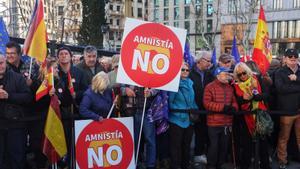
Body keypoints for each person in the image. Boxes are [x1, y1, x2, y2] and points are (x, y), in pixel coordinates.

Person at [233, 62, 271, 169]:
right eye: (239, 74)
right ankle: (245, 166)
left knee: (263, 143)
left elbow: (266, 94)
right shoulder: (235, 85)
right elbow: (236, 101)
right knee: (246, 145)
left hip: (260, 114)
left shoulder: (257, 79)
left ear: (248, 71)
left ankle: (265, 165)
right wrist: (243, 99)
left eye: (244, 73)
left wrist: (255, 95)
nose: (242, 76)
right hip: (245, 117)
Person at [56, 47, 88, 167]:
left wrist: (77, 94)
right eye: (61, 54)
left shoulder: (79, 73)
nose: (64, 56)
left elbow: (86, 90)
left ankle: (74, 163)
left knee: (74, 141)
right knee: (61, 142)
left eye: (66, 54)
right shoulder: (53, 72)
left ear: (70, 56)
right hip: (59, 113)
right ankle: (62, 163)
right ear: (58, 57)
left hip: (75, 112)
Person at [0, 54, 32, 169]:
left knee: (17, 160)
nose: (0, 66)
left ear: (5, 62)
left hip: (16, 126)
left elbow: (28, 97)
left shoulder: (17, 78)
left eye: (1, 63)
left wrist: (9, 96)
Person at [203, 67, 238, 169]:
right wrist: (223, 108)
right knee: (214, 146)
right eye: (225, 74)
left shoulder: (230, 88)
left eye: (228, 74)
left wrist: (234, 108)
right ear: (218, 76)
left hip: (227, 123)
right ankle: (211, 166)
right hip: (214, 123)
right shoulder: (209, 87)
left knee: (224, 147)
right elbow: (207, 103)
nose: (227, 76)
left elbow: (234, 101)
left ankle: (220, 165)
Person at [168, 62, 198, 169]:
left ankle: (185, 165)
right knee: (176, 146)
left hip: (189, 120)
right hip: (177, 120)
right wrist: (179, 114)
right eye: (182, 70)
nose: (185, 72)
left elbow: (192, 101)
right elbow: (170, 103)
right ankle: (176, 166)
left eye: (187, 70)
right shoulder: (174, 85)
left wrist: (195, 111)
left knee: (187, 145)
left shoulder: (190, 83)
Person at [121, 84, 158, 169]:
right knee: (133, 139)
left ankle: (150, 165)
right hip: (131, 111)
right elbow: (120, 88)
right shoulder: (128, 72)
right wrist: (125, 90)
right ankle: (134, 163)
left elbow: (158, 86)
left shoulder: (151, 72)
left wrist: (151, 92)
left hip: (147, 111)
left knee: (150, 140)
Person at [275, 49, 300, 169]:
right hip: (286, 111)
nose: (293, 58)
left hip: (299, 110)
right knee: (284, 137)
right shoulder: (279, 72)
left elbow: (287, 88)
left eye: (295, 56)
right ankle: (282, 161)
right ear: (285, 58)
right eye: (290, 56)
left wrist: (296, 80)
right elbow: (280, 89)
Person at [189, 51, 214, 164]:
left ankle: (199, 155)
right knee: (189, 136)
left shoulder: (210, 74)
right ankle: (188, 158)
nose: (210, 63)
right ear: (199, 60)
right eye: (208, 61)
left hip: (206, 110)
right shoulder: (189, 73)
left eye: (210, 61)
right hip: (191, 109)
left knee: (203, 133)